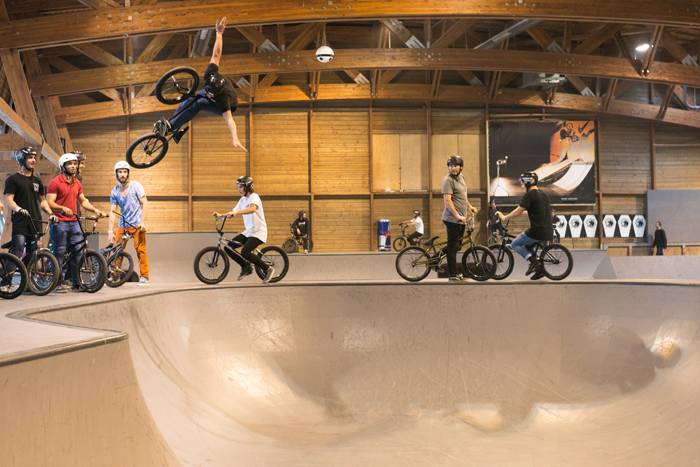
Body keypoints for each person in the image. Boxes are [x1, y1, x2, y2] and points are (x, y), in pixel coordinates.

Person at [154, 17, 246, 152]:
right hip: (216, 88)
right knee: (192, 97)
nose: (208, 95)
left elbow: (230, 121)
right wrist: (219, 33)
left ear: (216, 94)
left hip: (230, 106)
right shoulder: (210, 74)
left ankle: (172, 127)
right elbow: (217, 53)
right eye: (208, 92)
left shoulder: (223, 100)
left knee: (199, 103)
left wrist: (235, 137)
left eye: (210, 94)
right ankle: (173, 126)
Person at [47, 153, 106, 292]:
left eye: (75, 163)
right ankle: (57, 282)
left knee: (78, 252)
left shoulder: (76, 183)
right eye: (70, 164)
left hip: (74, 222)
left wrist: (96, 210)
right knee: (59, 252)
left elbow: (83, 201)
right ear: (63, 166)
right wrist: (62, 208)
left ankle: (77, 282)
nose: (73, 166)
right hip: (59, 222)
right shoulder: (55, 182)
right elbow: (50, 203)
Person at [1, 148, 57, 293]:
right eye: (30, 157)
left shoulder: (37, 181)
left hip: (35, 222)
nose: (33, 160)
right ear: (21, 160)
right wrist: (18, 209)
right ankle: (5, 283)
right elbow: (8, 200)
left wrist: (50, 213)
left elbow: (42, 201)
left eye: (34, 157)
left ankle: (28, 284)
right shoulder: (13, 179)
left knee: (32, 254)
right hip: (20, 221)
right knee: (17, 251)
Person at [212, 176, 275, 284]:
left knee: (245, 251)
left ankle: (268, 269)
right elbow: (232, 213)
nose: (238, 189)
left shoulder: (254, 197)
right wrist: (220, 214)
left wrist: (236, 213)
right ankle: (246, 267)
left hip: (259, 232)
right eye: (238, 187)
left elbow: (252, 209)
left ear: (248, 187)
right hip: (248, 232)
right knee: (228, 247)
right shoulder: (242, 200)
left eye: (240, 187)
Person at [497, 171, 553, 280]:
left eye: (522, 183)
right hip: (548, 231)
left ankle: (534, 262)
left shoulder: (529, 195)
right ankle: (539, 269)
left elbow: (518, 211)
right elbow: (535, 210)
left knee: (515, 244)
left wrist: (504, 217)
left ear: (527, 183)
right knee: (527, 246)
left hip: (537, 231)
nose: (521, 186)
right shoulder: (543, 194)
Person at [108, 161, 150, 286]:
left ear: (128, 173)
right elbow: (112, 212)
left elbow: (145, 203)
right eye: (120, 172)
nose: (122, 174)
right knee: (117, 250)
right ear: (116, 174)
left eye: (125, 172)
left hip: (137, 224)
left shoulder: (136, 186)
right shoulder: (114, 191)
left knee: (140, 250)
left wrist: (143, 222)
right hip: (123, 224)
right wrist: (110, 232)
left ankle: (144, 277)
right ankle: (114, 276)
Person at [442, 155, 478, 282]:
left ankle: (438, 256)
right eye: (451, 166)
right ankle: (452, 274)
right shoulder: (448, 181)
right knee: (453, 247)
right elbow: (447, 200)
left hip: (461, 219)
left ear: (461, 167)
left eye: (455, 165)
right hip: (452, 219)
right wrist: (457, 215)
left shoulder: (461, 178)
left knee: (457, 246)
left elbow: (462, 196)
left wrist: (469, 206)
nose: (453, 168)